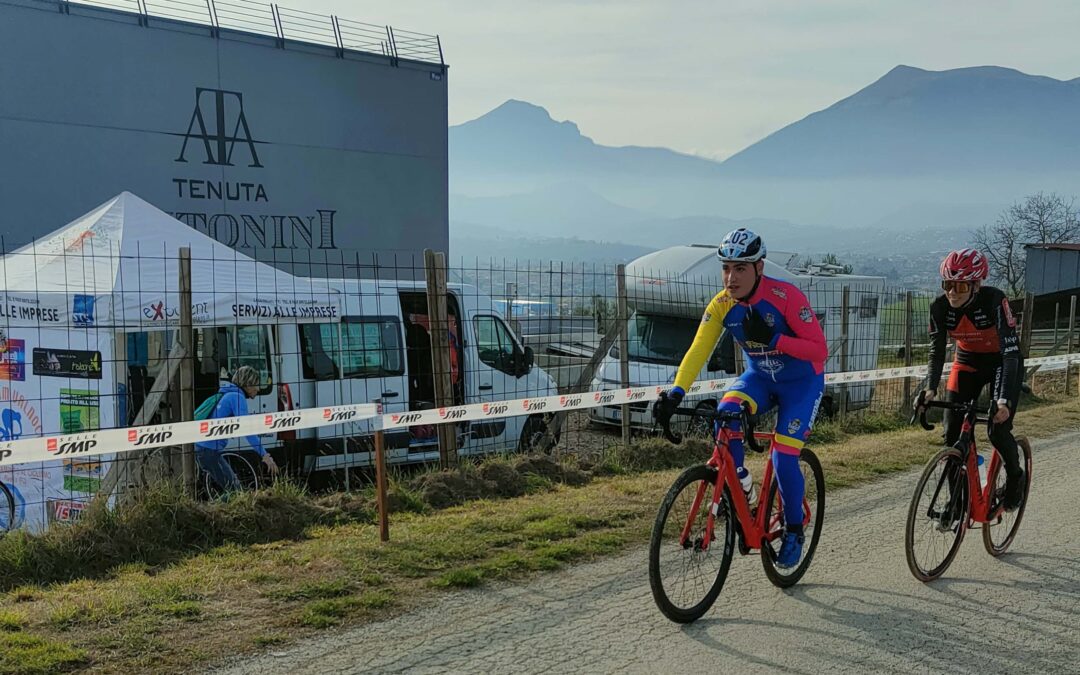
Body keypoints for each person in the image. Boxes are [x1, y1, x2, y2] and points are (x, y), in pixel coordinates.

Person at [653, 228, 827, 568]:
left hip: (801, 383)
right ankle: (742, 484)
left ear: (759, 268)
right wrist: (675, 392)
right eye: (726, 268)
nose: (730, 278)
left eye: (740, 269)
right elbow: (697, 351)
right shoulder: (721, 305)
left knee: (784, 458)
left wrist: (776, 338)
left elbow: (818, 350)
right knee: (726, 412)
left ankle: (794, 529)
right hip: (760, 378)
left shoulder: (786, 297)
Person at [921, 248, 1024, 510]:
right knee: (951, 434)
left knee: (998, 431)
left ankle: (1015, 479)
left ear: (976, 285)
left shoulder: (994, 301)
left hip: (1002, 361)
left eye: (961, 286)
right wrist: (930, 388)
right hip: (967, 361)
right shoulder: (939, 307)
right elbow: (936, 350)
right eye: (948, 285)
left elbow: (1011, 353)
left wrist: (1002, 401)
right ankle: (956, 502)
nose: (953, 292)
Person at [195, 365, 279, 492]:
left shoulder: (228, 394)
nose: (258, 389)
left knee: (233, 488)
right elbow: (248, 431)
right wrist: (265, 455)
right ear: (248, 384)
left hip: (206, 448)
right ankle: (219, 510)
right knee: (235, 490)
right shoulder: (237, 398)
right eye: (256, 384)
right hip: (208, 450)